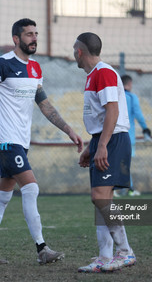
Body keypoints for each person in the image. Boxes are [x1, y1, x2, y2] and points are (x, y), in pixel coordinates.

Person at [0, 18, 83, 265]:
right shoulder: (1, 65)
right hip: (5, 141)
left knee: (2, 197)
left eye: (36, 33)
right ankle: (42, 249)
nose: (34, 38)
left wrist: (68, 129)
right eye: (28, 34)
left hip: (20, 141)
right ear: (16, 39)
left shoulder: (36, 69)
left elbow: (45, 105)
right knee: (31, 187)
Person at [74, 32, 136, 273]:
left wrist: (102, 146)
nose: (73, 54)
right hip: (104, 139)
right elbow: (101, 118)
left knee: (99, 196)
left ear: (79, 51)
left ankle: (125, 252)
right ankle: (105, 256)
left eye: (74, 50)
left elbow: (112, 111)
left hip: (114, 140)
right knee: (102, 199)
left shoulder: (104, 72)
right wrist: (93, 146)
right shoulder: (93, 76)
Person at [120, 74, 151, 196]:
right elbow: (138, 114)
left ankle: (121, 188)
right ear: (128, 84)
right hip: (128, 136)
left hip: (114, 135)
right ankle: (129, 188)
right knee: (125, 163)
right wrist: (145, 129)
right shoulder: (131, 97)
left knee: (118, 162)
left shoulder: (115, 97)